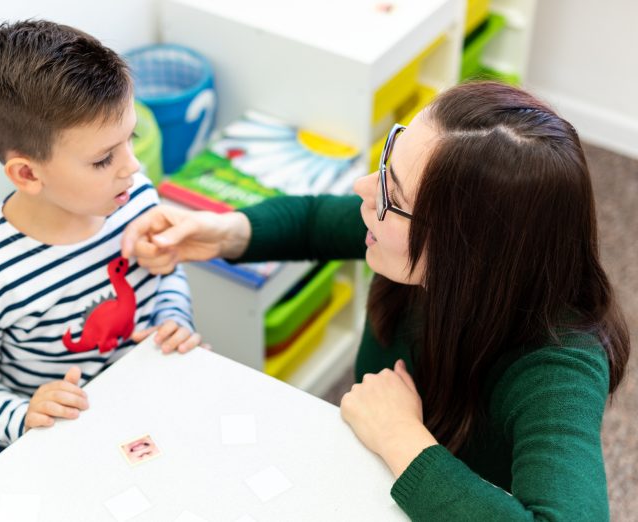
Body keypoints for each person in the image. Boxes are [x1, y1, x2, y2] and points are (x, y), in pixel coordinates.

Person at [121, 82, 630, 520]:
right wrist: (223, 232)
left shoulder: (560, 365)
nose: (367, 188)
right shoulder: (409, 242)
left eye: (395, 196)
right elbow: (317, 219)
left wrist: (399, 434)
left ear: (466, 251)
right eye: (388, 159)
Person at [0, 20, 203, 471]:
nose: (133, 166)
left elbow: (166, 273)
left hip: (133, 408)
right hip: (35, 444)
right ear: (27, 174)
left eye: (130, 139)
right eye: (104, 158)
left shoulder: (135, 197)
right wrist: (23, 414)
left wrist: (173, 318)